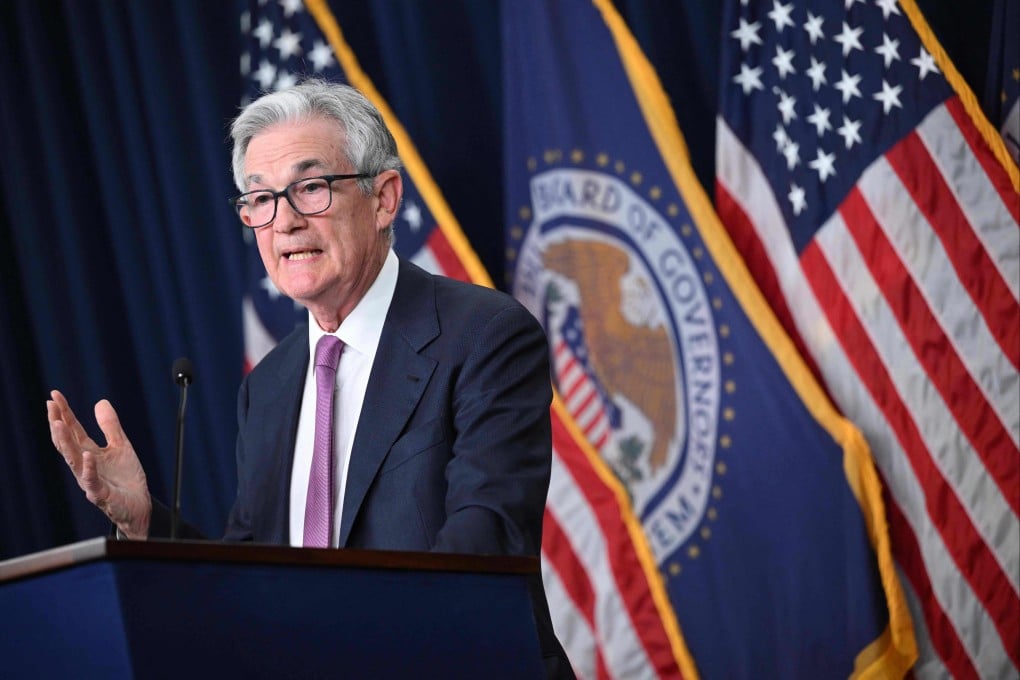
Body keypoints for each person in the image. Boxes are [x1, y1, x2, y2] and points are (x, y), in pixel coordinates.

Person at [47, 79, 572, 678]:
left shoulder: (485, 335)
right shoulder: (267, 386)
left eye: (311, 187)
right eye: (261, 199)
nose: (284, 222)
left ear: (384, 198)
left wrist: (334, 646)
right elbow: (254, 574)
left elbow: (487, 544)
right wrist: (146, 522)